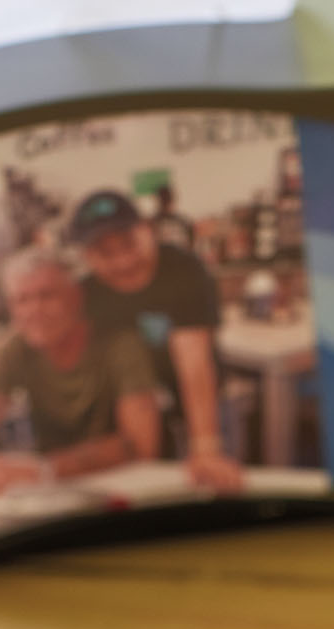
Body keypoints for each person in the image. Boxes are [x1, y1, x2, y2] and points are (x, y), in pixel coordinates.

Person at [0, 249, 160, 506]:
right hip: (56, 493)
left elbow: (140, 445)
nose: (34, 310)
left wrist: (42, 470)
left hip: (129, 488)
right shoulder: (15, 349)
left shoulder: (121, 345)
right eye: (21, 300)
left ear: (76, 298)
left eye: (47, 296)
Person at [69, 190, 243, 494]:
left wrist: (204, 446)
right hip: (137, 409)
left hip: (200, 399)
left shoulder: (184, 269)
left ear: (147, 230)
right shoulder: (86, 292)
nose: (122, 262)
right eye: (104, 253)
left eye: (128, 244)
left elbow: (193, 360)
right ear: (86, 256)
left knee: (214, 485)